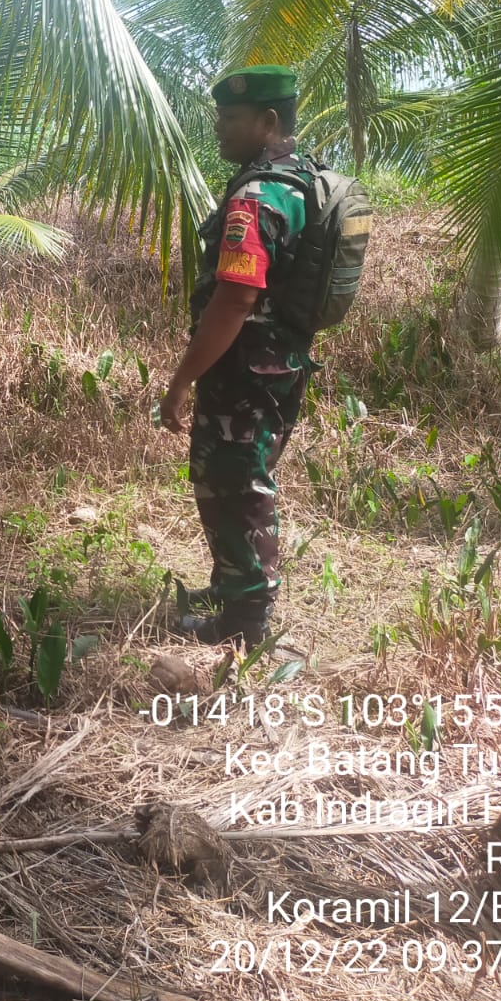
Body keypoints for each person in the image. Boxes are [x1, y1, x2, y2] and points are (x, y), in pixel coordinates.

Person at [158, 65, 320, 647]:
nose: (220, 130)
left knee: (234, 482)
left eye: (231, 119)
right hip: (279, 362)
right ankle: (233, 581)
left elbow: (234, 299)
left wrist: (180, 380)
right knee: (242, 475)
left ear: (268, 121)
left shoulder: (258, 195)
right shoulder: (301, 176)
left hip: (243, 369)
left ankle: (245, 619)